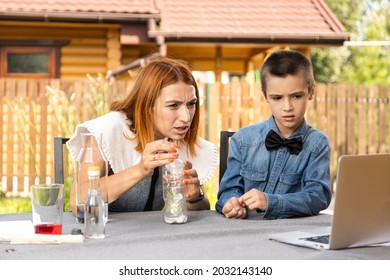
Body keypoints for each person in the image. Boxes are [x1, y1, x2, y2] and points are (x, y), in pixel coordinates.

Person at [67, 57, 218, 214]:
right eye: (173, 105)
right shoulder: (107, 131)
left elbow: (202, 210)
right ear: (146, 104)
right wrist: (139, 170)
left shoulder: (182, 140)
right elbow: (77, 201)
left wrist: (194, 196)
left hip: (157, 235)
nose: (186, 117)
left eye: (191, 104)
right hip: (109, 233)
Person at [216, 50, 332, 219]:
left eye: (296, 96)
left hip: (291, 234)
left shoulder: (318, 143)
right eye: (277, 98)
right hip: (245, 233)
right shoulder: (243, 140)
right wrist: (230, 203)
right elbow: (228, 190)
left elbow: (317, 197)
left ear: (311, 92)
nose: (287, 107)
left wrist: (271, 201)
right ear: (265, 96)